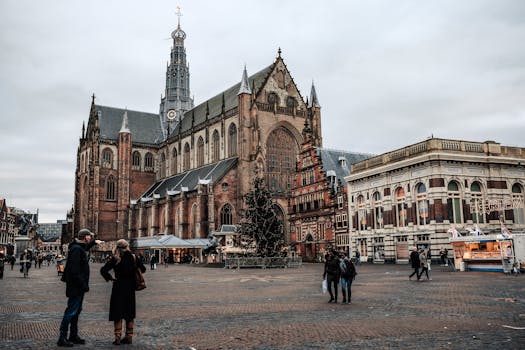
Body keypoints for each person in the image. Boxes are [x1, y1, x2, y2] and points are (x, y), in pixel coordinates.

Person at [57, 229, 103, 347]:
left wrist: (94, 243)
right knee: (71, 311)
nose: (90, 238)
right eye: (89, 236)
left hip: (78, 286)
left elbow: (84, 249)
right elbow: (74, 270)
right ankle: (62, 338)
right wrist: (83, 284)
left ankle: (73, 335)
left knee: (76, 312)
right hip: (76, 286)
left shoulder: (78, 247)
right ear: (84, 237)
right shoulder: (76, 249)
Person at [100, 239, 146, 345]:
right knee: (129, 313)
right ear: (127, 247)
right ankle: (129, 336)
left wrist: (110, 278)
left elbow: (103, 270)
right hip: (130, 288)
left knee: (118, 313)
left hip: (118, 287)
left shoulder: (116, 258)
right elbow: (143, 269)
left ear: (118, 248)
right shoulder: (134, 257)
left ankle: (117, 337)